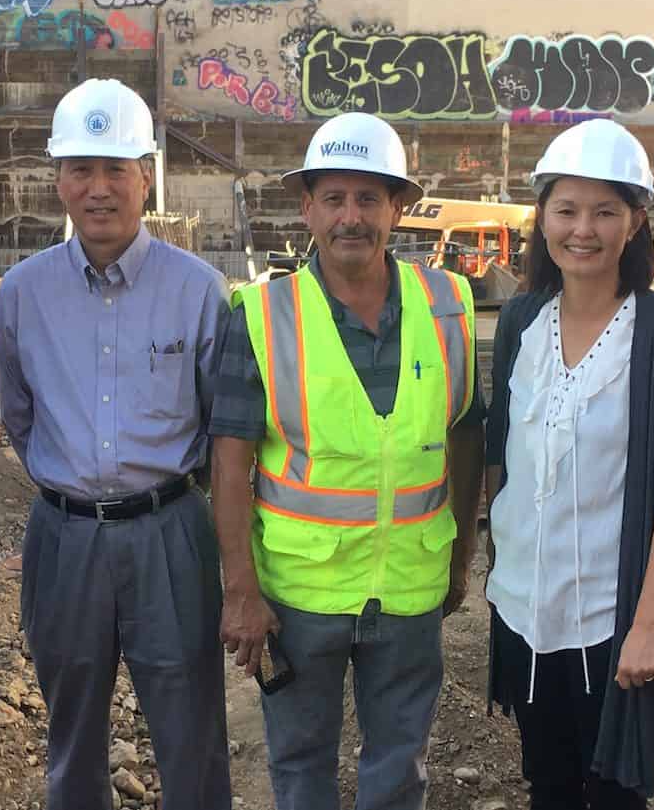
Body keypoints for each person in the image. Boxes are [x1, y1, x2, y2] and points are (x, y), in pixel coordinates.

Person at [210, 111, 485, 810]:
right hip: (299, 597)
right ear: (307, 208)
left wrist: (458, 559)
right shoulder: (262, 313)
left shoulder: (448, 304)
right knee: (301, 767)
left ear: (399, 206)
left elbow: (465, 435)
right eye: (334, 198)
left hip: (409, 589)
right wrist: (241, 588)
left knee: (400, 769)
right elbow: (229, 460)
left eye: (369, 198)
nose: (351, 217)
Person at [0, 78, 233, 810]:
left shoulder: (199, 289)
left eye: (116, 169)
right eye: (81, 169)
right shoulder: (23, 292)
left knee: (190, 734)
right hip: (64, 538)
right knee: (71, 737)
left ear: (147, 175)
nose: (98, 189)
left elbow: (220, 427)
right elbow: (18, 415)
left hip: (171, 532)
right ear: (58, 177)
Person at [483, 120, 654, 809]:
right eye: (566, 210)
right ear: (543, 217)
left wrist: (649, 621)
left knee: (617, 792)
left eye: (604, 211)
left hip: (609, 613)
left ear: (636, 220)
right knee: (551, 784)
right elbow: (507, 453)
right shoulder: (521, 322)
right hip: (527, 608)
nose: (582, 229)